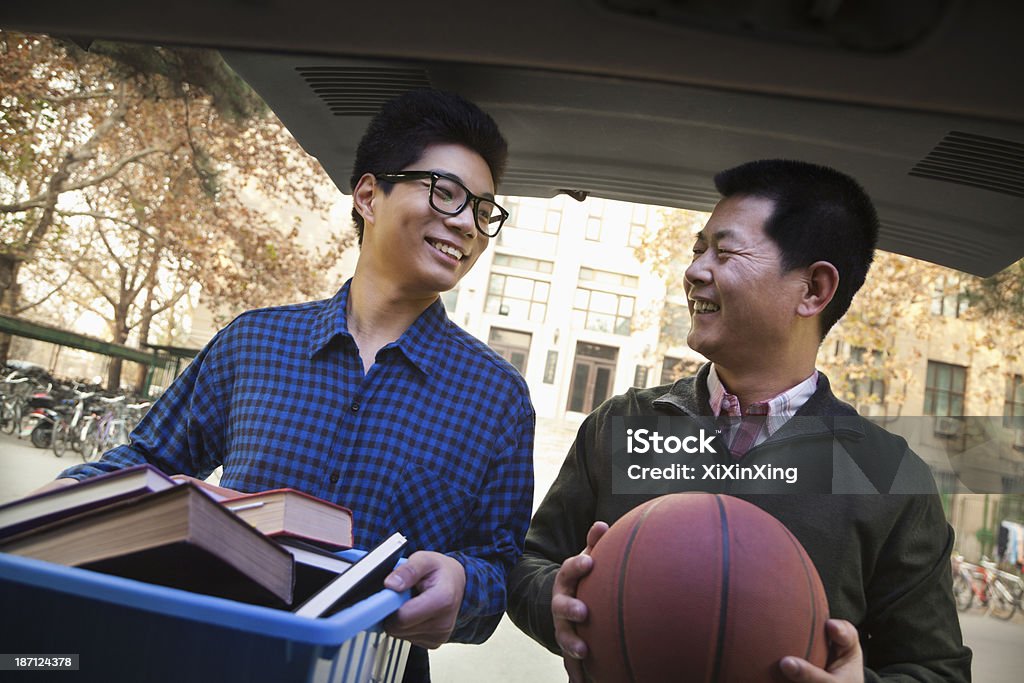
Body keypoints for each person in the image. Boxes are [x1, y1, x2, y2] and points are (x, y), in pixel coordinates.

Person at [42, 89, 536, 683]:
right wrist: (46, 508)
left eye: (484, 210)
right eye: (446, 193)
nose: (465, 224)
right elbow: (149, 460)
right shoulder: (254, 341)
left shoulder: (498, 397)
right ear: (368, 195)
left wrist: (463, 587)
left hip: (373, 667)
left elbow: (495, 564)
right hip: (217, 656)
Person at [506, 159, 971, 682]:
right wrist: (558, 599)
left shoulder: (891, 475)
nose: (695, 270)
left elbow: (937, 671)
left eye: (724, 252)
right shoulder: (620, 422)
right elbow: (528, 566)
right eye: (698, 249)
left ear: (814, 290)